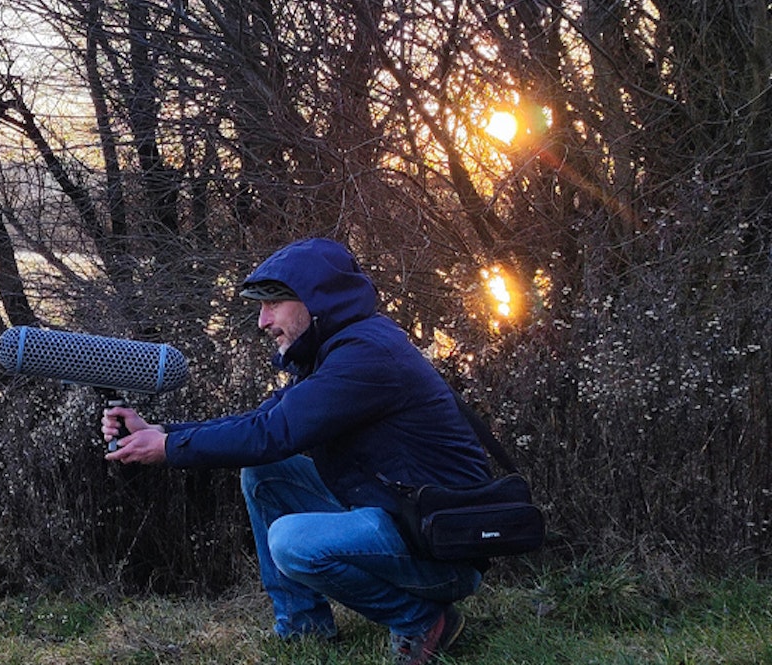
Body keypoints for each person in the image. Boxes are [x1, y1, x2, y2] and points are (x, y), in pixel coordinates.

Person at [97, 238, 496, 664]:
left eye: (273, 304)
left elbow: (274, 432)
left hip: (440, 544)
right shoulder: (337, 349)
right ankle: (303, 627)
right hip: (402, 514)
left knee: (291, 541)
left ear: (317, 300)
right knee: (265, 474)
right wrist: (161, 431)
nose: (262, 321)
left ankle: (421, 620)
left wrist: (168, 448)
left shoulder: (365, 357)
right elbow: (263, 419)